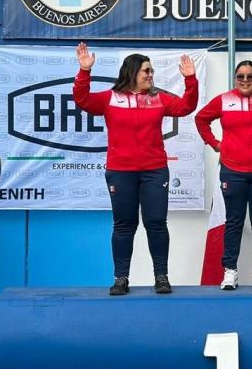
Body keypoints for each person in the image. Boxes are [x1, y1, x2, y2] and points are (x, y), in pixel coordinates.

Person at [74, 42, 198, 296]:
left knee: (156, 223)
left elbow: (187, 106)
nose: (151, 75)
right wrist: (84, 72)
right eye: (146, 71)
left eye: (152, 71)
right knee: (124, 225)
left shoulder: (158, 98)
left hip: (154, 171)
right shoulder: (110, 98)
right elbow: (83, 100)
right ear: (132, 73)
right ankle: (121, 278)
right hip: (121, 172)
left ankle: (161, 277)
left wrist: (191, 79)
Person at [195, 60, 252, 291]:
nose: (245, 80)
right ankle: (230, 272)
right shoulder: (224, 100)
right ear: (235, 79)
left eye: (250, 76)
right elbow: (201, 118)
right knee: (234, 222)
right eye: (240, 77)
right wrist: (216, 144)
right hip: (232, 171)